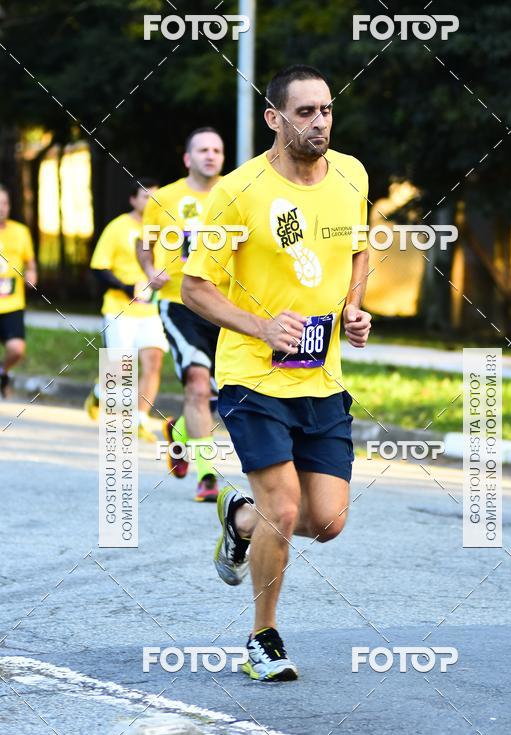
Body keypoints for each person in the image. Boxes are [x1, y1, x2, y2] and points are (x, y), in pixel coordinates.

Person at [181, 65, 372, 680]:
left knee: (328, 521)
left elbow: (361, 243)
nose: (319, 122)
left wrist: (353, 305)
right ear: (275, 119)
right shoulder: (238, 193)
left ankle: (239, 518)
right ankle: (263, 637)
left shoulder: (351, 174)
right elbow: (193, 288)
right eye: (305, 112)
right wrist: (258, 327)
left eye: (326, 110)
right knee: (284, 509)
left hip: (321, 380)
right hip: (252, 377)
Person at [137, 128, 229, 502]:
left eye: (217, 150)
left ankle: (178, 434)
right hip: (180, 302)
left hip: (225, 305)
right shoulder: (165, 198)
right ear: (188, 158)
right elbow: (144, 244)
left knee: (229, 395)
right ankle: (208, 476)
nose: (211, 155)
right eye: (203, 150)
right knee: (197, 382)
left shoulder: (236, 192)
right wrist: (149, 272)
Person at [85, 178, 166, 442]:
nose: (150, 202)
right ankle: (99, 393)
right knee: (120, 369)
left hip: (152, 310)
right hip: (120, 308)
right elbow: (98, 267)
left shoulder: (165, 231)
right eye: (145, 197)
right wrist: (126, 286)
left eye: (156, 197)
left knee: (153, 362)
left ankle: (140, 419)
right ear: (133, 200)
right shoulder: (117, 228)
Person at [0, 185, 37, 397]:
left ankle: (2, 371)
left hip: (12, 303)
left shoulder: (20, 232)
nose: (1, 208)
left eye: (5, 203)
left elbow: (30, 263)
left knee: (17, 349)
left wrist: (32, 275)